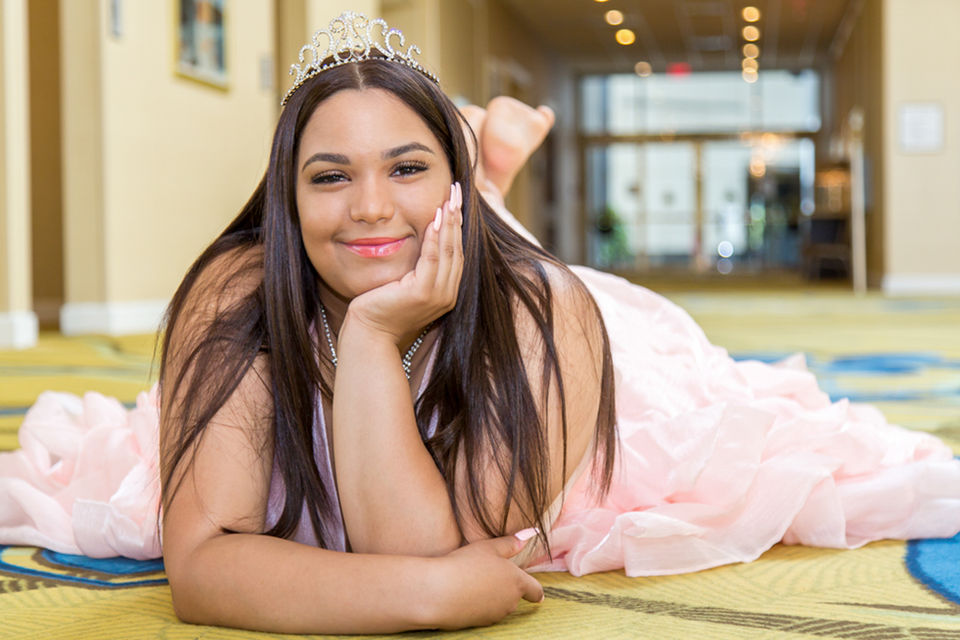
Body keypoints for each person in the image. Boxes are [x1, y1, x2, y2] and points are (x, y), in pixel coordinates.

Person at [2, 10, 960, 635]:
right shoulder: (236, 287)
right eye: (330, 176)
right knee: (401, 247)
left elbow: (415, 538)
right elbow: (210, 570)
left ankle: (489, 190)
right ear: (285, 203)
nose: (369, 204)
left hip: (535, 327)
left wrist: (373, 339)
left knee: (694, 382)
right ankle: (481, 176)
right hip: (402, 284)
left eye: (408, 167)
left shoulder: (556, 317)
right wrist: (429, 594)